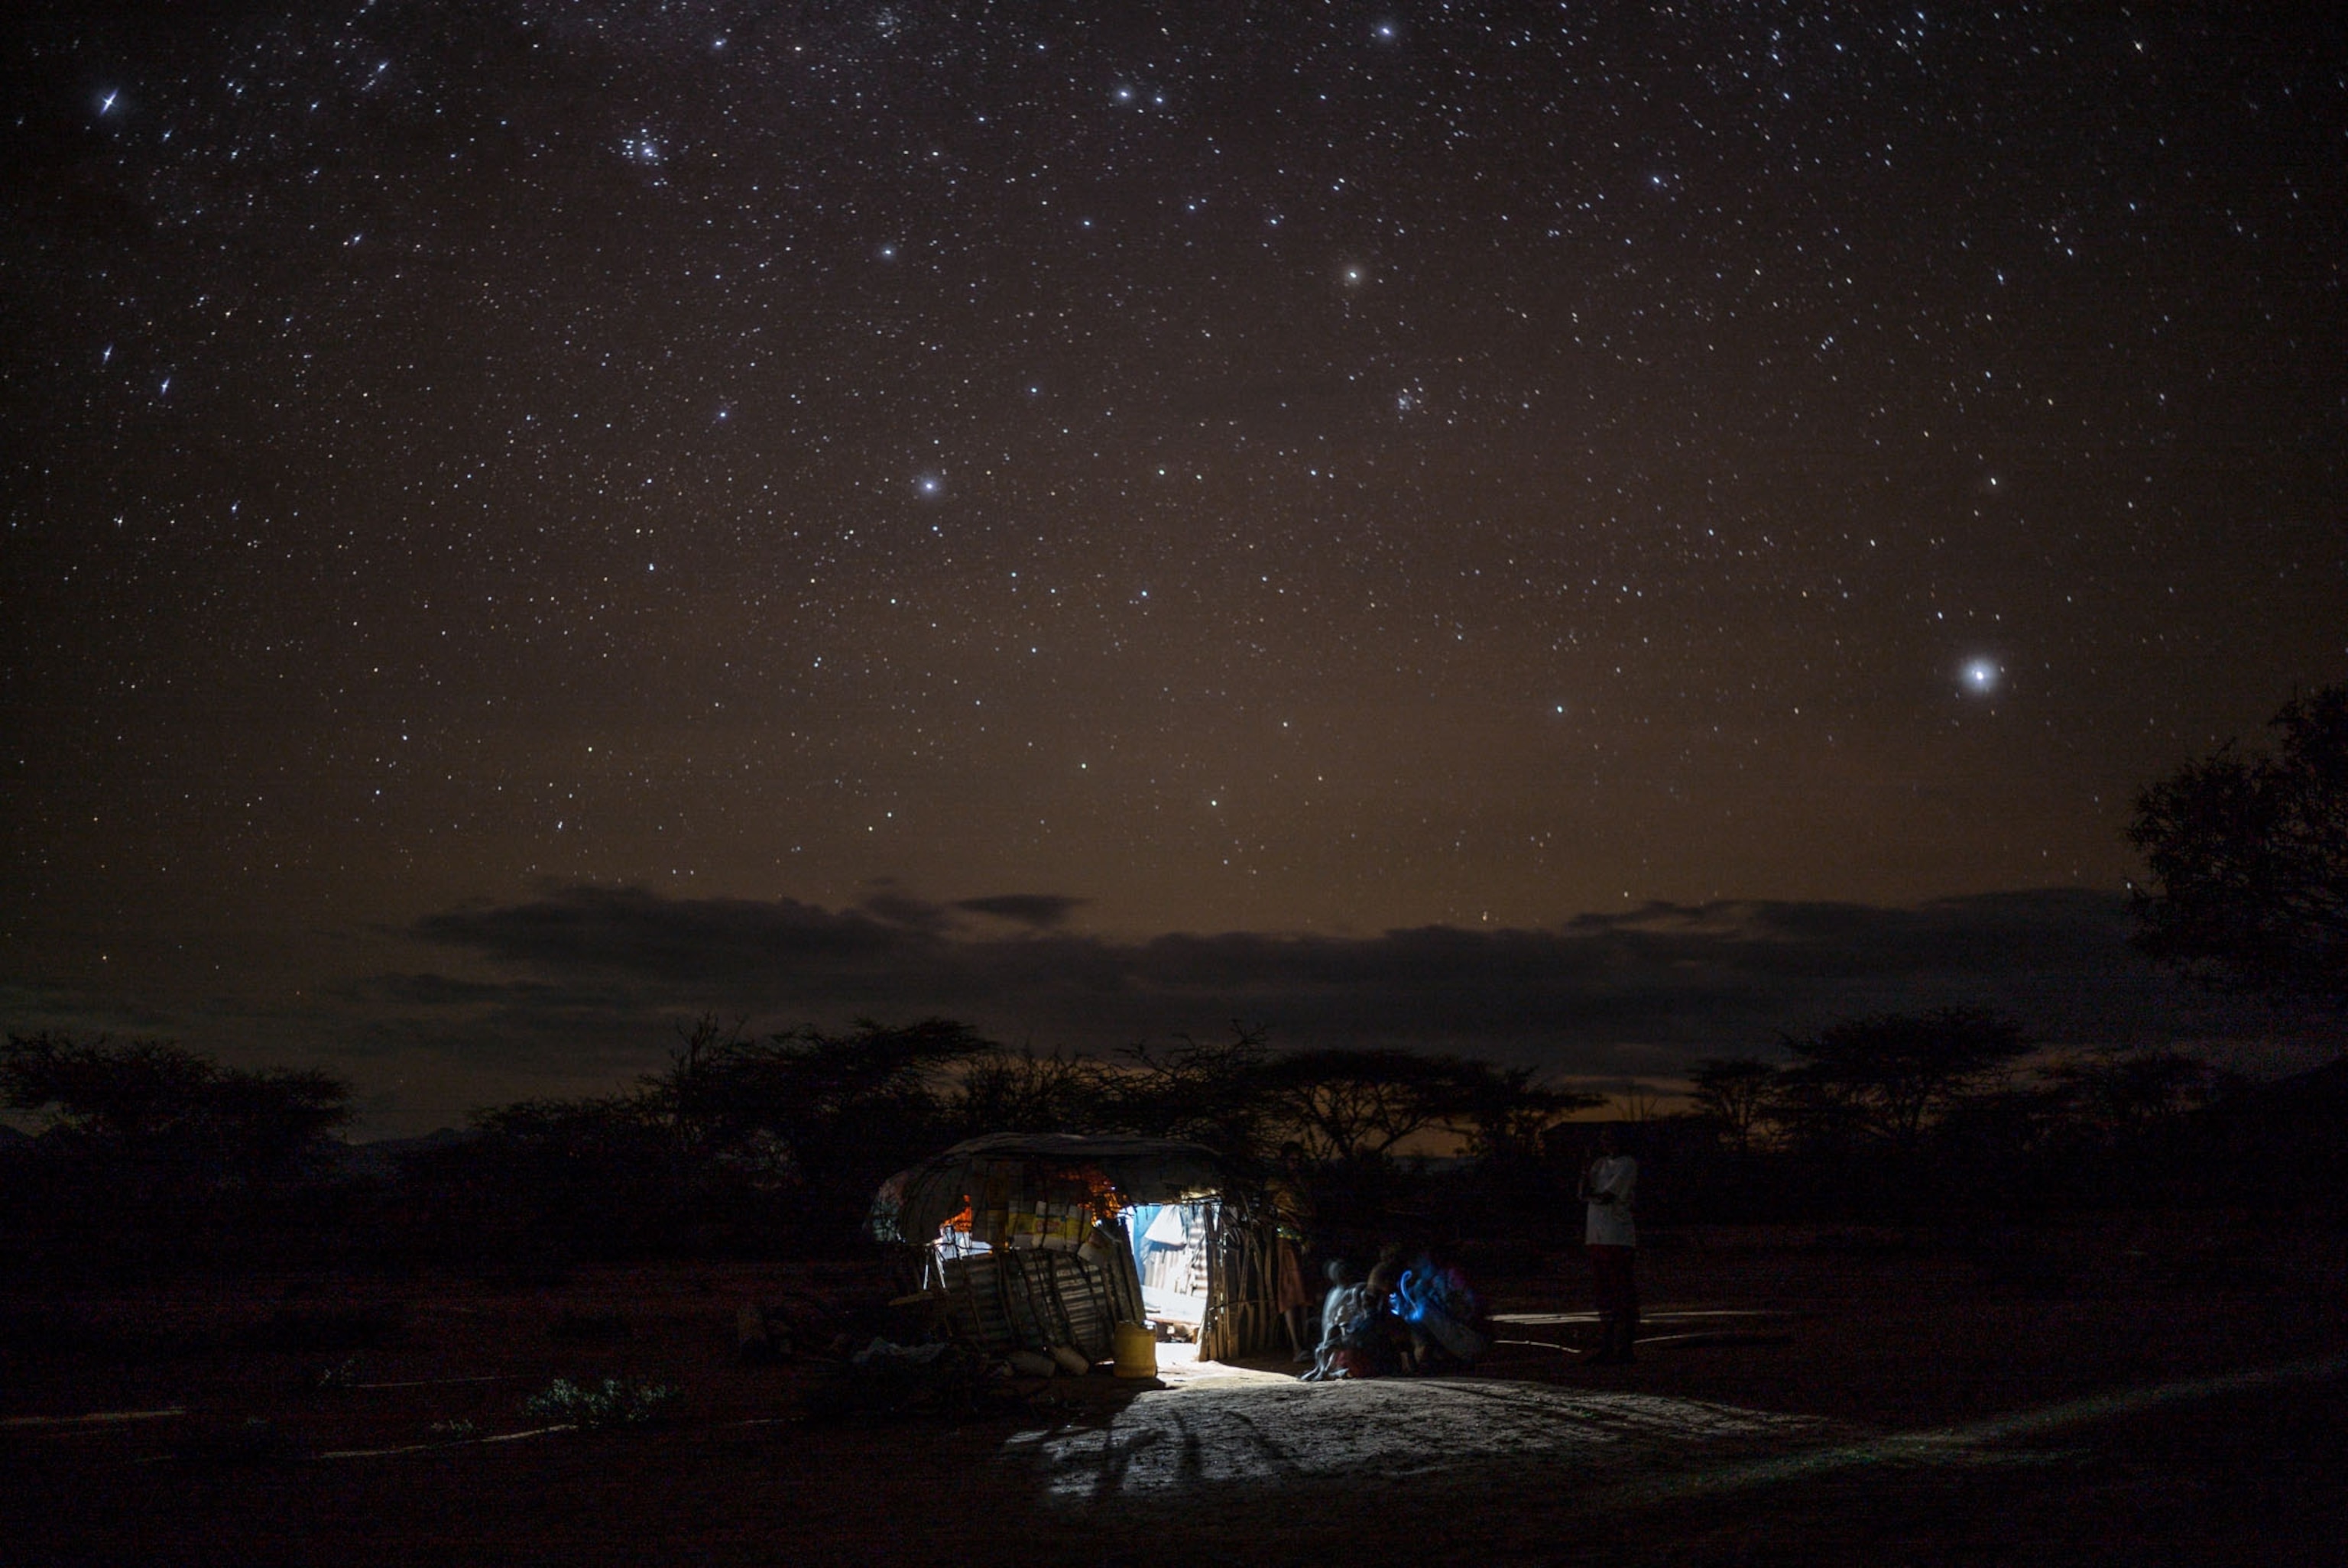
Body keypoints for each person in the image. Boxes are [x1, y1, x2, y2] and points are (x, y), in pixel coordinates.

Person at [1579, 1126, 1639, 1365]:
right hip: (1597, 1236)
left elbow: (1606, 1197)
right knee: (1605, 1294)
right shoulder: (1599, 1165)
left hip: (1617, 1237)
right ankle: (1608, 1346)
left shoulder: (1628, 1164)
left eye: (1610, 1138)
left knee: (1621, 1292)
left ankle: (1623, 1348)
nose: (1606, 1143)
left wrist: (1592, 1195)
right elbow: (1587, 1193)